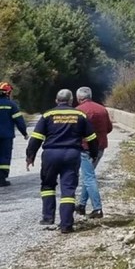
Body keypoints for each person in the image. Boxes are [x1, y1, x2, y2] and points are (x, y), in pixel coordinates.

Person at [26, 89, 99, 234]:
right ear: (71, 101)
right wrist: (94, 154)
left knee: (47, 186)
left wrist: (30, 156)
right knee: (68, 189)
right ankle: (66, 224)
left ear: (56, 100)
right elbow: (91, 138)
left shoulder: (47, 115)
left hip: (50, 155)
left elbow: (36, 138)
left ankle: (48, 217)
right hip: (71, 155)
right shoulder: (80, 115)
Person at [75, 86, 113, 218]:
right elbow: (109, 128)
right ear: (90, 95)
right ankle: (81, 205)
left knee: (89, 177)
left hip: (85, 148)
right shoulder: (102, 109)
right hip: (100, 147)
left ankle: (97, 209)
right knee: (88, 176)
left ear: (79, 98)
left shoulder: (78, 111)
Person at [0, 82, 28, 186]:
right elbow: (19, 121)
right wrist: (24, 133)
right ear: (7, 93)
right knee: (4, 157)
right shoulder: (11, 105)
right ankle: (1, 179)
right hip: (6, 136)